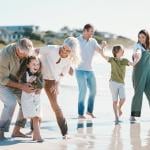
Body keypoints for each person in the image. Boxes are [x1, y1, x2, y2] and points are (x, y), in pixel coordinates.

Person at [35, 37, 80, 139]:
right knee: (33, 102)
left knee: (55, 105)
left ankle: (65, 132)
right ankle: (33, 130)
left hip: (52, 81)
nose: (64, 51)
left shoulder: (69, 59)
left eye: (67, 50)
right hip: (39, 77)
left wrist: (56, 84)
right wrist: (34, 65)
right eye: (64, 48)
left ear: (72, 52)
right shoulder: (52, 48)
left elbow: (62, 74)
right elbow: (36, 51)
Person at [0, 38, 34, 139]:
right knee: (10, 103)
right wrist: (22, 86)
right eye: (22, 53)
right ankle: (0, 131)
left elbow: (36, 64)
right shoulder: (5, 55)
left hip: (16, 81)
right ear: (17, 48)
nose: (24, 56)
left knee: (26, 101)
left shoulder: (27, 52)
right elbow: (2, 79)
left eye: (26, 54)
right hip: (1, 81)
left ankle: (16, 131)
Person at [101, 45, 138, 124]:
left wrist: (136, 58)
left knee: (123, 99)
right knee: (115, 101)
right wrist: (103, 47)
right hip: (113, 83)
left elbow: (133, 64)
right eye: (122, 50)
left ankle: (119, 108)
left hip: (121, 83)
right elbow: (103, 55)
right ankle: (116, 117)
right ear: (116, 52)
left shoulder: (124, 60)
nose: (123, 51)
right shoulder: (112, 60)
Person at [76, 24, 106, 119]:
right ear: (85, 31)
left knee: (93, 91)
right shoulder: (77, 40)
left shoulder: (93, 41)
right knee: (83, 91)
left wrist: (103, 46)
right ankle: (81, 113)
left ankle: (89, 111)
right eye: (91, 32)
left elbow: (100, 51)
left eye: (93, 32)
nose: (92, 34)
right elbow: (68, 51)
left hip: (90, 70)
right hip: (79, 70)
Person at [18, 56, 44, 142]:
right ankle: (38, 136)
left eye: (38, 64)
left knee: (38, 117)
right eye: (34, 64)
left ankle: (34, 136)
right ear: (28, 65)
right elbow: (21, 84)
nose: (36, 66)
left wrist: (37, 79)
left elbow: (41, 86)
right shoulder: (24, 74)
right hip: (27, 99)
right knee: (35, 117)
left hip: (37, 99)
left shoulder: (39, 74)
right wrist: (28, 82)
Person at [130, 29, 150, 122]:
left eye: (143, 37)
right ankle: (133, 115)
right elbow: (138, 52)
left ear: (147, 37)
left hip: (148, 72)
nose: (141, 39)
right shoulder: (137, 46)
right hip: (139, 72)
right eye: (139, 37)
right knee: (138, 92)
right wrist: (136, 58)